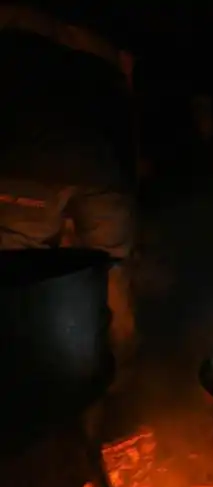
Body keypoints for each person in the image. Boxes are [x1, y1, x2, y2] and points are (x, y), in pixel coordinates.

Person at [0, 5, 137, 433]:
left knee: (18, 285)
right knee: (112, 276)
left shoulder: (11, 24)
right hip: (102, 172)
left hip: (25, 169)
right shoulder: (100, 45)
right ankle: (114, 401)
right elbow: (127, 112)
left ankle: (40, 416)